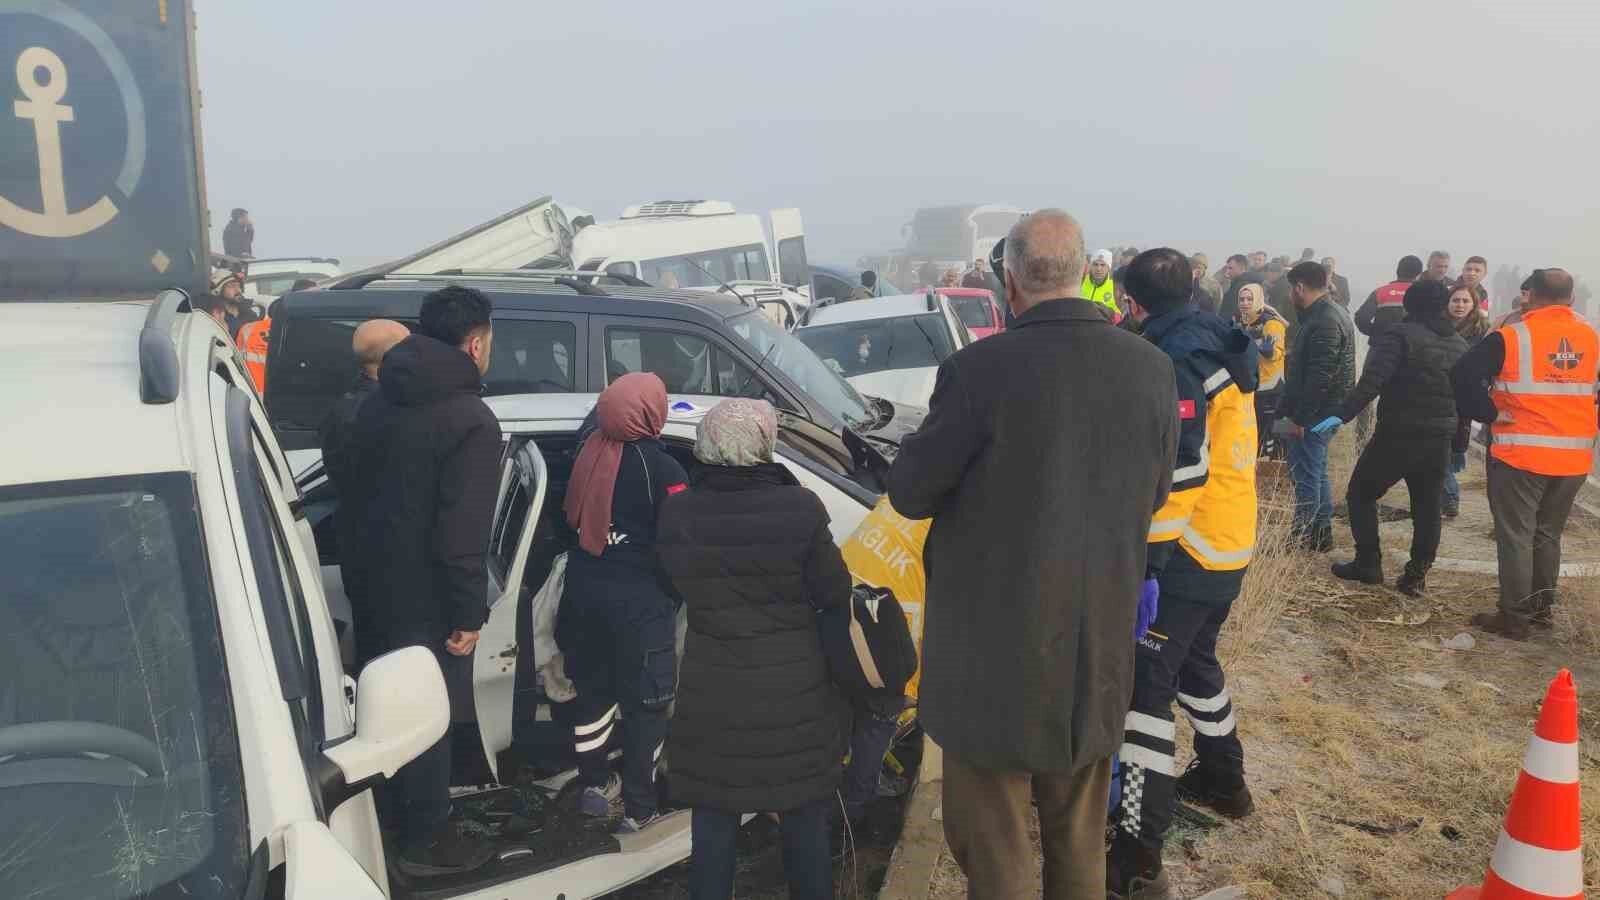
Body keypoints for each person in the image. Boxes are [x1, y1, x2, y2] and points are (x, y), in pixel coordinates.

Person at [886, 210, 1179, 899]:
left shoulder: (975, 370)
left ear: (1009, 282)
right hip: (1094, 645)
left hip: (992, 655)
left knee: (993, 842)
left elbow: (911, 493)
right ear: (1084, 274)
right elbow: (1158, 489)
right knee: (1078, 841)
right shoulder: (1151, 368)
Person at [1110, 249, 1259, 900]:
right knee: (1197, 663)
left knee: (1148, 686)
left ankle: (1138, 851)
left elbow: (1184, 467)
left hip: (1192, 546)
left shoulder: (1176, 358)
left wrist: (1150, 561)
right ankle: (1226, 781)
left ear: (1134, 305)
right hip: (1230, 535)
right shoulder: (1213, 334)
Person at [655, 398, 847, 900]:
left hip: (711, 691)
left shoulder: (679, 512)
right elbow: (833, 592)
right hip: (795, 693)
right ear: (765, 445)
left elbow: (673, 584)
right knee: (804, 815)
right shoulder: (801, 507)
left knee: (714, 821)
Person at [346, 285, 501, 874]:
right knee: (430, 713)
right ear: (475, 342)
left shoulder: (376, 400)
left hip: (375, 586)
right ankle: (426, 843)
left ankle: (390, 817)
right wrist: (468, 614)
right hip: (431, 600)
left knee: (385, 705)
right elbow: (462, 534)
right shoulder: (470, 420)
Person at [559, 372, 689, 834]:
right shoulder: (665, 470)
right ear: (651, 412)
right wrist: (675, 594)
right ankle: (640, 807)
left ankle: (593, 788)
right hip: (639, 609)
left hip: (583, 600)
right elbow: (678, 543)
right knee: (645, 707)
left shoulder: (584, 453)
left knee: (592, 697)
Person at [1452, 269, 1599, 640]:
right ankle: (1541, 611)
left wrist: (1486, 413)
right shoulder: (1591, 338)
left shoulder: (1511, 336)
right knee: (1548, 534)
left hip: (1521, 455)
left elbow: (1461, 373)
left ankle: (1514, 618)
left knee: (1516, 535)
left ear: (1528, 296)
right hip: (1574, 457)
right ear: (1572, 299)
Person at [1315, 281, 1467, 596]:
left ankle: (1368, 564)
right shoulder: (1458, 344)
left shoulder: (1398, 336)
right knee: (1427, 507)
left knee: (1360, 494)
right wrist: (1460, 442)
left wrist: (1342, 415)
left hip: (1398, 434)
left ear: (1409, 305)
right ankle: (1416, 577)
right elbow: (1466, 399)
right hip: (1439, 438)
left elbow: (1372, 382)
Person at [320, 319, 410, 665]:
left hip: (358, 545)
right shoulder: (380, 412)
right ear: (391, 357)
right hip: (383, 553)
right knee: (391, 654)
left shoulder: (345, 405)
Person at [1280, 262, 1356, 551]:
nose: (1290, 295)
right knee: (1316, 470)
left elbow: (1319, 377)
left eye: (1291, 288)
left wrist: (1299, 418)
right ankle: (1321, 536)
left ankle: (1302, 536)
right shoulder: (1329, 313)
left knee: (1305, 474)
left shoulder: (1324, 320)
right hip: (1323, 410)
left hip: (1314, 413)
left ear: (1299, 287)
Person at [1442, 286, 1492, 518]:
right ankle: (1448, 498)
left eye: (1465, 301)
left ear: (1474, 305)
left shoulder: (1481, 332)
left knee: (1454, 448)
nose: (1459, 305)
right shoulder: (1438, 326)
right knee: (1443, 449)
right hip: (1440, 393)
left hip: (1464, 398)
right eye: (1455, 300)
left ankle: (1450, 498)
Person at [1236, 284, 1287, 456]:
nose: (1245, 303)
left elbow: (1279, 353)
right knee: (1251, 430)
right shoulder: (1240, 321)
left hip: (1270, 386)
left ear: (1258, 299)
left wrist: (1270, 351)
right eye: (1242, 299)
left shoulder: (1271, 323)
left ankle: (1272, 468)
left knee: (1268, 432)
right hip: (1250, 384)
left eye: (1249, 299)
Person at [1355, 255, 1424, 338]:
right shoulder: (1424, 294)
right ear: (1419, 274)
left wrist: (1377, 335)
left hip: (1383, 346)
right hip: (1415, 347)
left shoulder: (1380, 292)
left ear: (1398, 271)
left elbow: (1361, 318)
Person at [208, 271, 259, 339]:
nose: (238, 290)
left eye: (238, 286)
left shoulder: (250, 313)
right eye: (231, 286)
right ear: (218, 291)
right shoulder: (214, 316)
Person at [1218, 254, 1262, 322]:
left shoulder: (1243, 286)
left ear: (1241, 268)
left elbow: (1232, 312)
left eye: (1230, 268)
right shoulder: (1238, 283)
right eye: (1227, 268)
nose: (1227, 271)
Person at [1081, 249, 1119, 317]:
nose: (1098, 268)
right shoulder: (1081, 282)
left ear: (1108, 268)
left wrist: (1111, 313)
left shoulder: (1115, 287)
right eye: (1095, 264)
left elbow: (1122, 318)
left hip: (1105, 326)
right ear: (1091, 266)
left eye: (1103, 265)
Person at [1263, 259, 1296, 331]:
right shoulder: (1282, 283)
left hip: (1283, 322)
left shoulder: (1280, 287)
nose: (1267, 276)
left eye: (1268, 273)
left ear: (1276, 273)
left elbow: (1277, 307)